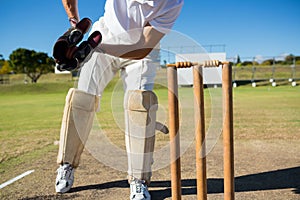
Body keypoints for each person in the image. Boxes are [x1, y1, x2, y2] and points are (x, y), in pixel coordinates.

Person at [55, 0, 183, 199]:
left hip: (139, 49)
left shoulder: (172, 2)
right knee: (82, 99)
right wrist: (74, 23)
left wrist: (92, 48)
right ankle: (66, 164)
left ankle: (138, 179)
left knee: (140, 104)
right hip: (103, 36)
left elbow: (143, 46)